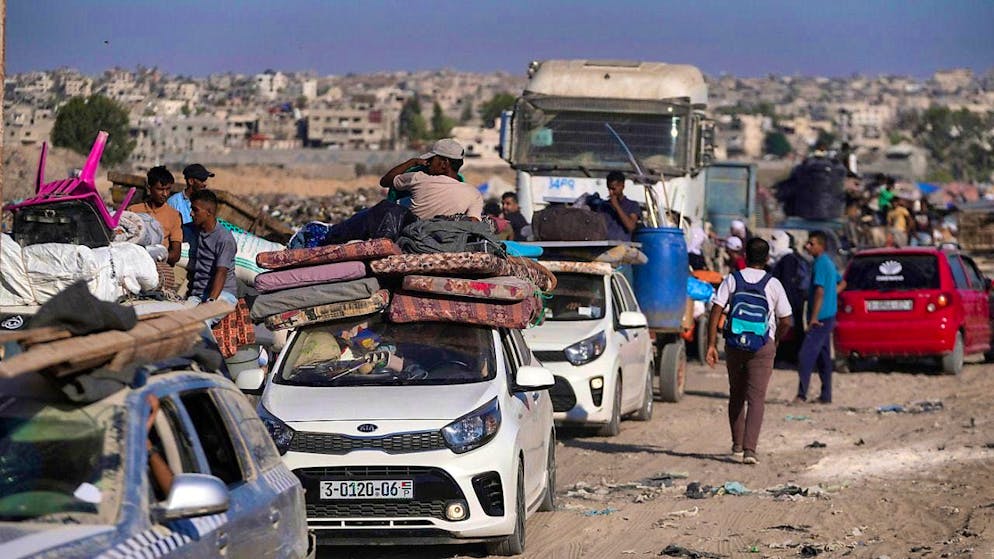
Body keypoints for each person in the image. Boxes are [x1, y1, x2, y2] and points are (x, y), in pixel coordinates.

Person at [706, 237, 793, 465]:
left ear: (745, 255)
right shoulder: (773, 284)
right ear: (766, 258)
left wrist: (711, 344)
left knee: (736, 393)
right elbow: (787, 320)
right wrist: (775, 341)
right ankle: (749, 450)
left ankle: (736, 443)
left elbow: (715, 311)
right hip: (763, 346)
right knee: (756, 399)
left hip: (734, 344)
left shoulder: (732, 279)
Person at [795, 231, 845, 404]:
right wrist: (833, 295)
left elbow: (820, 291)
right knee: (823, 357)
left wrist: (813, 318)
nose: (807, 246)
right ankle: (826, 395)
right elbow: (842, 282)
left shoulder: (821, 265)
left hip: (821, 317)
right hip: (829, 314)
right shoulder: (827, 263)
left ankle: (801, 395)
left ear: (821, 246)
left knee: (805, 355)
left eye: (811, 243)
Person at [379, 138, 483, 220]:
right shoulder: (474, 194)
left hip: (412, 240)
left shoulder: (418, 178)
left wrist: (412, 162)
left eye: (431, 159)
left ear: (444, 163)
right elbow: (474, 223)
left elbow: (385, 181)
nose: (428, 163)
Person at [182, 189, 238, 309]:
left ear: (209, 212)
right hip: (197, 295)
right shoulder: (195, 230)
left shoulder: (224, 238)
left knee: (201, 321)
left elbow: (221, 272)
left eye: (195, 210)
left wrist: (211, 301)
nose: (191, 214)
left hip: (223, 294)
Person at [769, 230, 810, 364]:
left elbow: (786, 283)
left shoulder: (788, 260)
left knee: (789, 328)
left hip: (789, 300)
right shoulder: (783, 259)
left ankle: (789, 357)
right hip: (791, 300)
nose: (772, 243)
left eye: (775, 240)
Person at [128, 166, 182, 265]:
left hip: (160, 265)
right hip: (135, 262)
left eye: (168, 189)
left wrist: (159, 255)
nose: (165, 194)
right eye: (160, 189)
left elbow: (175, 254)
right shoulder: (133, 211)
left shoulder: (174, 215)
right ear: (149, 188)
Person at [598, 171, 640, 241]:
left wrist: (617, 206)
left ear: (622, 186)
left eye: (613, 189)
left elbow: (631, 227)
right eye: (609, 189)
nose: (611, 192)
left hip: (623, 246)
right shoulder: (603, 206)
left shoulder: (633, 205)